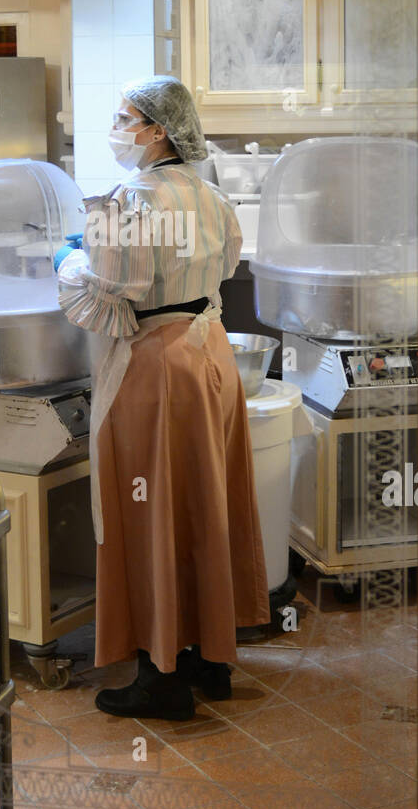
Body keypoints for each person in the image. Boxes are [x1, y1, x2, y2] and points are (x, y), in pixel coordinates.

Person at [56, 76, 270, 721]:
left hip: (157, 366)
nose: (116, 127)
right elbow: (225, 265)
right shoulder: (210, 195)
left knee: (151, 511)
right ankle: (210, 656)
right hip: (210, 355)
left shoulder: (124, 200)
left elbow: (103, 294)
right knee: (208, 499)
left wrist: (67, 258)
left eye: (125, 117)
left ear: (158, 129)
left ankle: (162, 676)